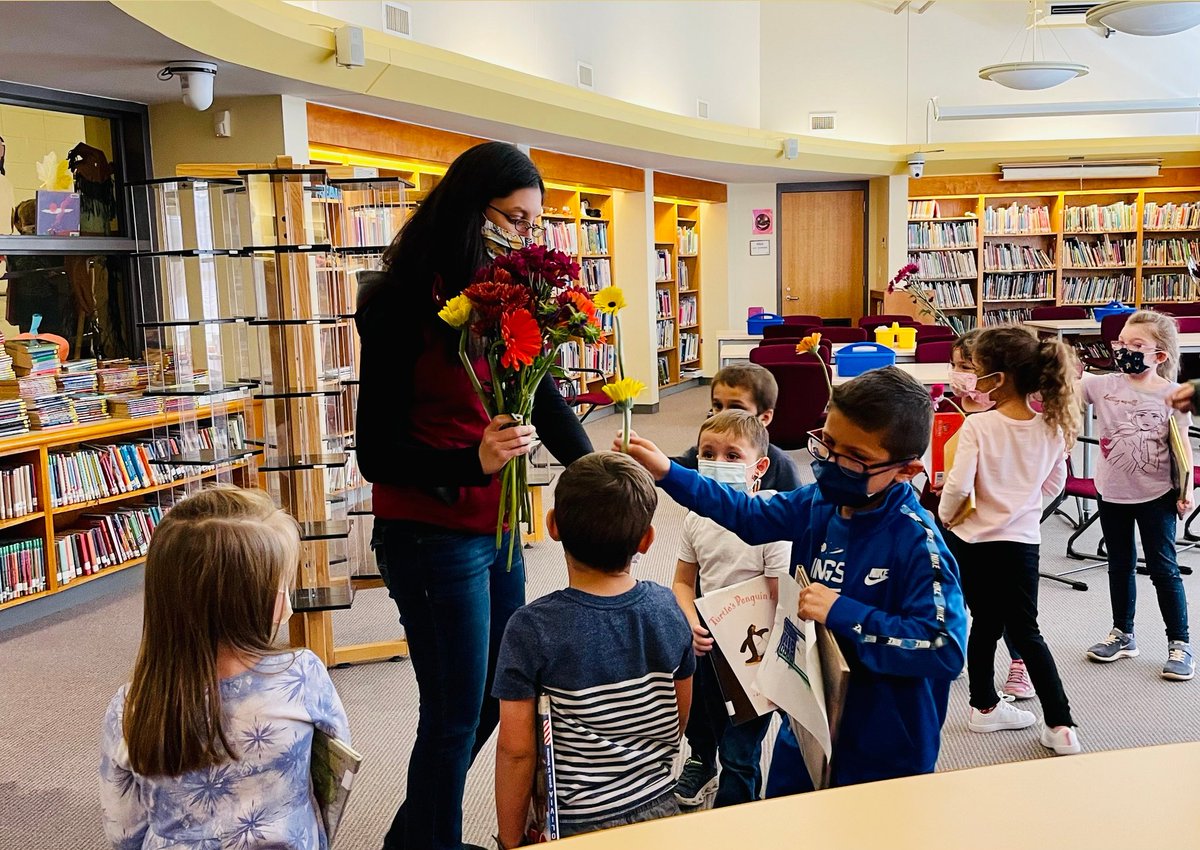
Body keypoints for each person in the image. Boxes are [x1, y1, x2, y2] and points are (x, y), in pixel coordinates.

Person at [355, 142, 593, 850]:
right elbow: (375, 454)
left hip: (493, 531)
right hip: (429, 534)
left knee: (496, 697)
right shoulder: (399, 301)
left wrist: (593, 473)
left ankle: (413, 838)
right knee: (454, 713)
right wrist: (474, 458)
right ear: (472, 206)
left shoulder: (501, 293)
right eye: (513, 218)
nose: (524, 235)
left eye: (532, 223)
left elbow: (542, 394)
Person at [617, 366, 967, 790]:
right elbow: (749, 515)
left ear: (905, 471)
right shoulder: (821, 500)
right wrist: (669, 473)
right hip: (806, 717)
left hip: (882, 744)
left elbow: (943, 648)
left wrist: (844, 612)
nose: (832, 465)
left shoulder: (918, 543)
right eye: (827, 443)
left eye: (854, 460)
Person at [99, 487, 349, 850]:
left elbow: (123, 829)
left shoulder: (130, 707)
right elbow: (334, 776)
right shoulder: (303, 676)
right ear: (263, 600)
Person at [492, 453, 693, 845]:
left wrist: (510, 840)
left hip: (577, 823)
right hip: (662, 806)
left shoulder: (530, 628)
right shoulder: (669, 607)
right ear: (647, 539)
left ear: (552, 526)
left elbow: (516, 752)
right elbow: (679, 715)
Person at [938, 327, 1082, 755]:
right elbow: (1057, 482)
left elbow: (958, 488)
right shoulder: (1053, 429)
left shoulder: (978, 426)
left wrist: (947, 521)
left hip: (972, 541)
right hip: (1021, 543)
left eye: (977, 371)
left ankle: (983, 707)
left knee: (983, 622)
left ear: (997, 379)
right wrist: (1025, 509)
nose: (971, 379)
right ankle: (1060, 723)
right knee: (1026, 630)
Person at [671, 411, 792, 808]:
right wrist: (689, 619)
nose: (718, 463)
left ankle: (735, 814)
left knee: (740, 752)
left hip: (753, 651)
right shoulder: (695, 518)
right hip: (707, 641)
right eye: (708, 453)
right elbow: (683, 582)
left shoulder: (772, 519)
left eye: (732, 456)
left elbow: (777, 599)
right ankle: (702, 761)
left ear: (759, 468)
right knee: (704, 720)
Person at [1083, 310, 1193, 681]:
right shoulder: (1102, 386)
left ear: (1159, 356)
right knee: (1119, 563)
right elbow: (1062, 387)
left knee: (1164, 568)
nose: (1125, 351)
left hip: (1156, 494)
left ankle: (1180, 643)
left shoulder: (1171, 395)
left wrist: (1185, 489)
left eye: (1136, 345)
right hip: (1111, 491)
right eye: (1122, 344)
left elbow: (1182, 448)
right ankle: (1123, 633)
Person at [940, 330, 1035, 701]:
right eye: (955, 366)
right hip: (956, 522)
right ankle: (959, 650)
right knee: (959, 589)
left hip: (999, 524)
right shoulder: (951, 410)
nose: (958, 374)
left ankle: (1018, 663)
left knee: (1008, 604)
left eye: (967, 367)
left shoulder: (1006, 416)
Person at [672, 362, 802, 492]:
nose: (724, 415)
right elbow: (666, 468)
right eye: (717, 406)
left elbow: (797, 508)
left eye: (736, 408)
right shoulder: (702, 452)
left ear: (764, 418)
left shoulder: (782, 465)